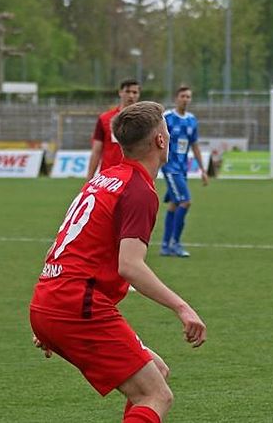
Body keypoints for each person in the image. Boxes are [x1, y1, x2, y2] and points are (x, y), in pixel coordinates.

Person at [29, 101, 207, 423]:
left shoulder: (105, 178)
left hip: (51, 299)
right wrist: (182, 307)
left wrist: (49, 319)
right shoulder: (138, 189)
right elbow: (131, 265)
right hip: (76, 305)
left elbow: (68, 243)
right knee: (156, 395)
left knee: (157, 373)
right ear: (160, 140)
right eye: (165, 129)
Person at [160, 86, 209, 258]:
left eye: (189, 96)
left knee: (175, 204)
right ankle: (175, 243)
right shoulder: (166, 118)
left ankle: (165, 245)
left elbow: (194, 145)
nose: (186, 99)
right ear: (176, 98)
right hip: (170, 167)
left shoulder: (191, 120)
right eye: (183, 96)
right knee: (186, 201)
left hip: (182, 168)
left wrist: (202, 169)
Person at [87, 78, 141, 180]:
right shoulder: (105, 119)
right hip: (108, 176)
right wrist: (89, 177)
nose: (131, 96)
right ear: (120, 93)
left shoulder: (143, 121)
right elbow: (96, 150)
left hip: (133, 176)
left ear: (139, 95)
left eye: (135, 92)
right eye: (128, 91)